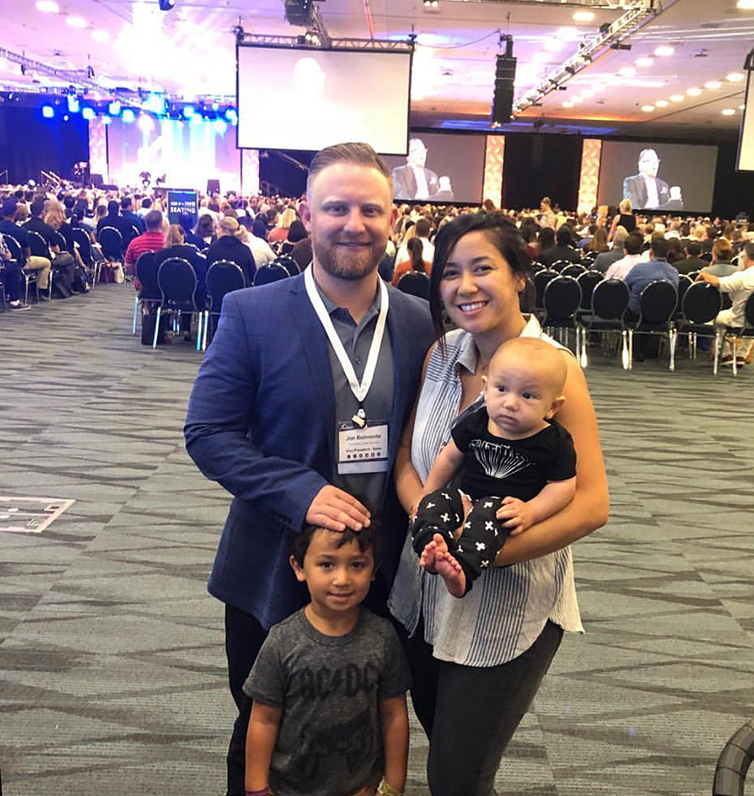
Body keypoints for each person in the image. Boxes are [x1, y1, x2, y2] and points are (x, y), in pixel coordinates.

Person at [184, 141, 435, 796]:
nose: (354, 224)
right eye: (336, 208)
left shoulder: (417, 322)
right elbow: (207, 433)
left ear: (392, 218)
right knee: (264, 733)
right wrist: (302, 493)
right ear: (306, 215)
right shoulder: (253, 312)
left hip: (378, 576)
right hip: (276, 569)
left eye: (370, 210)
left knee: (362, 733)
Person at [388, 211, 608, 796]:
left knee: (457, 776)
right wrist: (430, 525)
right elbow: (409, 457)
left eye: (482, 268)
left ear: (518, 277)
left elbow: (591, 505)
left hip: (507, 609)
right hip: (426, 593)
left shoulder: (552, 369)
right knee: (445, 749)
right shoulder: (442, 354)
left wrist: (478, 555)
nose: (465, 286)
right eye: (450, 272)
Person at [244, 523, 410, 796]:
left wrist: (393, 787)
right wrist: (257, 789)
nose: (342, 579)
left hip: (361, 788)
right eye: (326, 565)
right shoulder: (282, 641)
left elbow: (393, 714)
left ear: (374, 570)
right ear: (299, 567)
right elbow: (263, 720)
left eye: (357, 565)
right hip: (290, 789)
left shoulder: (383, 637)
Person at [411, 338, 576, 598]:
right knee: (437, 500)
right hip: (465, 499)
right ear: (486, 388)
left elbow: (563, 486)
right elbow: (449, 459)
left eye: (528, 396)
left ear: (552, 407)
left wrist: (532, 511)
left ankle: (462, 570)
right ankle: (432, 545)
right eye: (501, 389)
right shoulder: (476, 422)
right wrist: (426, 493)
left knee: (489, 509)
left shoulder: (553, 442)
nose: (511, 403)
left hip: (504, 512)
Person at [697, 242, 754, 367]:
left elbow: (719, 283)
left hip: (738, 319)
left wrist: (704, 274)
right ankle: (742, 354)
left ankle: (725, 354)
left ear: (745, 257)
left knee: (716, 318)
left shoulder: (743, 277)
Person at [205, 216, 257, 285]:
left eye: (218, 228)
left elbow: (207, 272)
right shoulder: (245, 250)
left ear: (226, 231)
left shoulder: (213, 249)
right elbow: (253, 275)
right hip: (241, 289)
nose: (216, 231)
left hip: (217, 288)